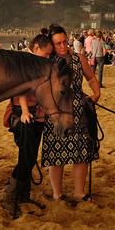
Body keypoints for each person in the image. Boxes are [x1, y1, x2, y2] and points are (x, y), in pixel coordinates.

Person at [41, 24, 100, 203]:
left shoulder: (78, 58)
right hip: (55, 114)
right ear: (51, 44)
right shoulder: (47, 62)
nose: (62, 46)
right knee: (56, 155)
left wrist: (96, 93)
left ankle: (79, 192)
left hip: (79, 110)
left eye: (65, 41)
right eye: (58, 43)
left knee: (81, 152)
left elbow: (91, 77)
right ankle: (57, 194)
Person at [2, 33, 54, 215]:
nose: (47, 57)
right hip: (23, 114)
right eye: (46, 53)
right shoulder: (24, 62)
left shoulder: (39, 64)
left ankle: (23, 194)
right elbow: (20, 88)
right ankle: (10, 197)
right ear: (36, 48)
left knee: (30, 157)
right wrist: (24, 111)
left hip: (38, 115)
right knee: (25, 157)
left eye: (50, 55)